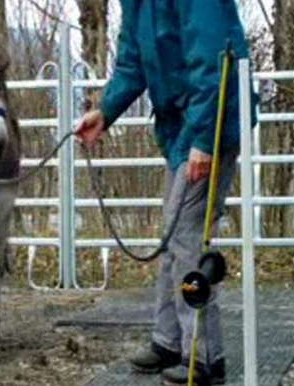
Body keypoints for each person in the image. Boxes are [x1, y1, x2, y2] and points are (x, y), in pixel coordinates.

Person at [74, 0, 258, 385]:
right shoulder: (138, 6)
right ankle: (168, 340)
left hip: (212, 119)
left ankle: (204, 357)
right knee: (173, 234)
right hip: (180, 127)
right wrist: (105, 111)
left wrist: (206, 139)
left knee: (187, 234)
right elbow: (131, 62)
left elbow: (214, 61)